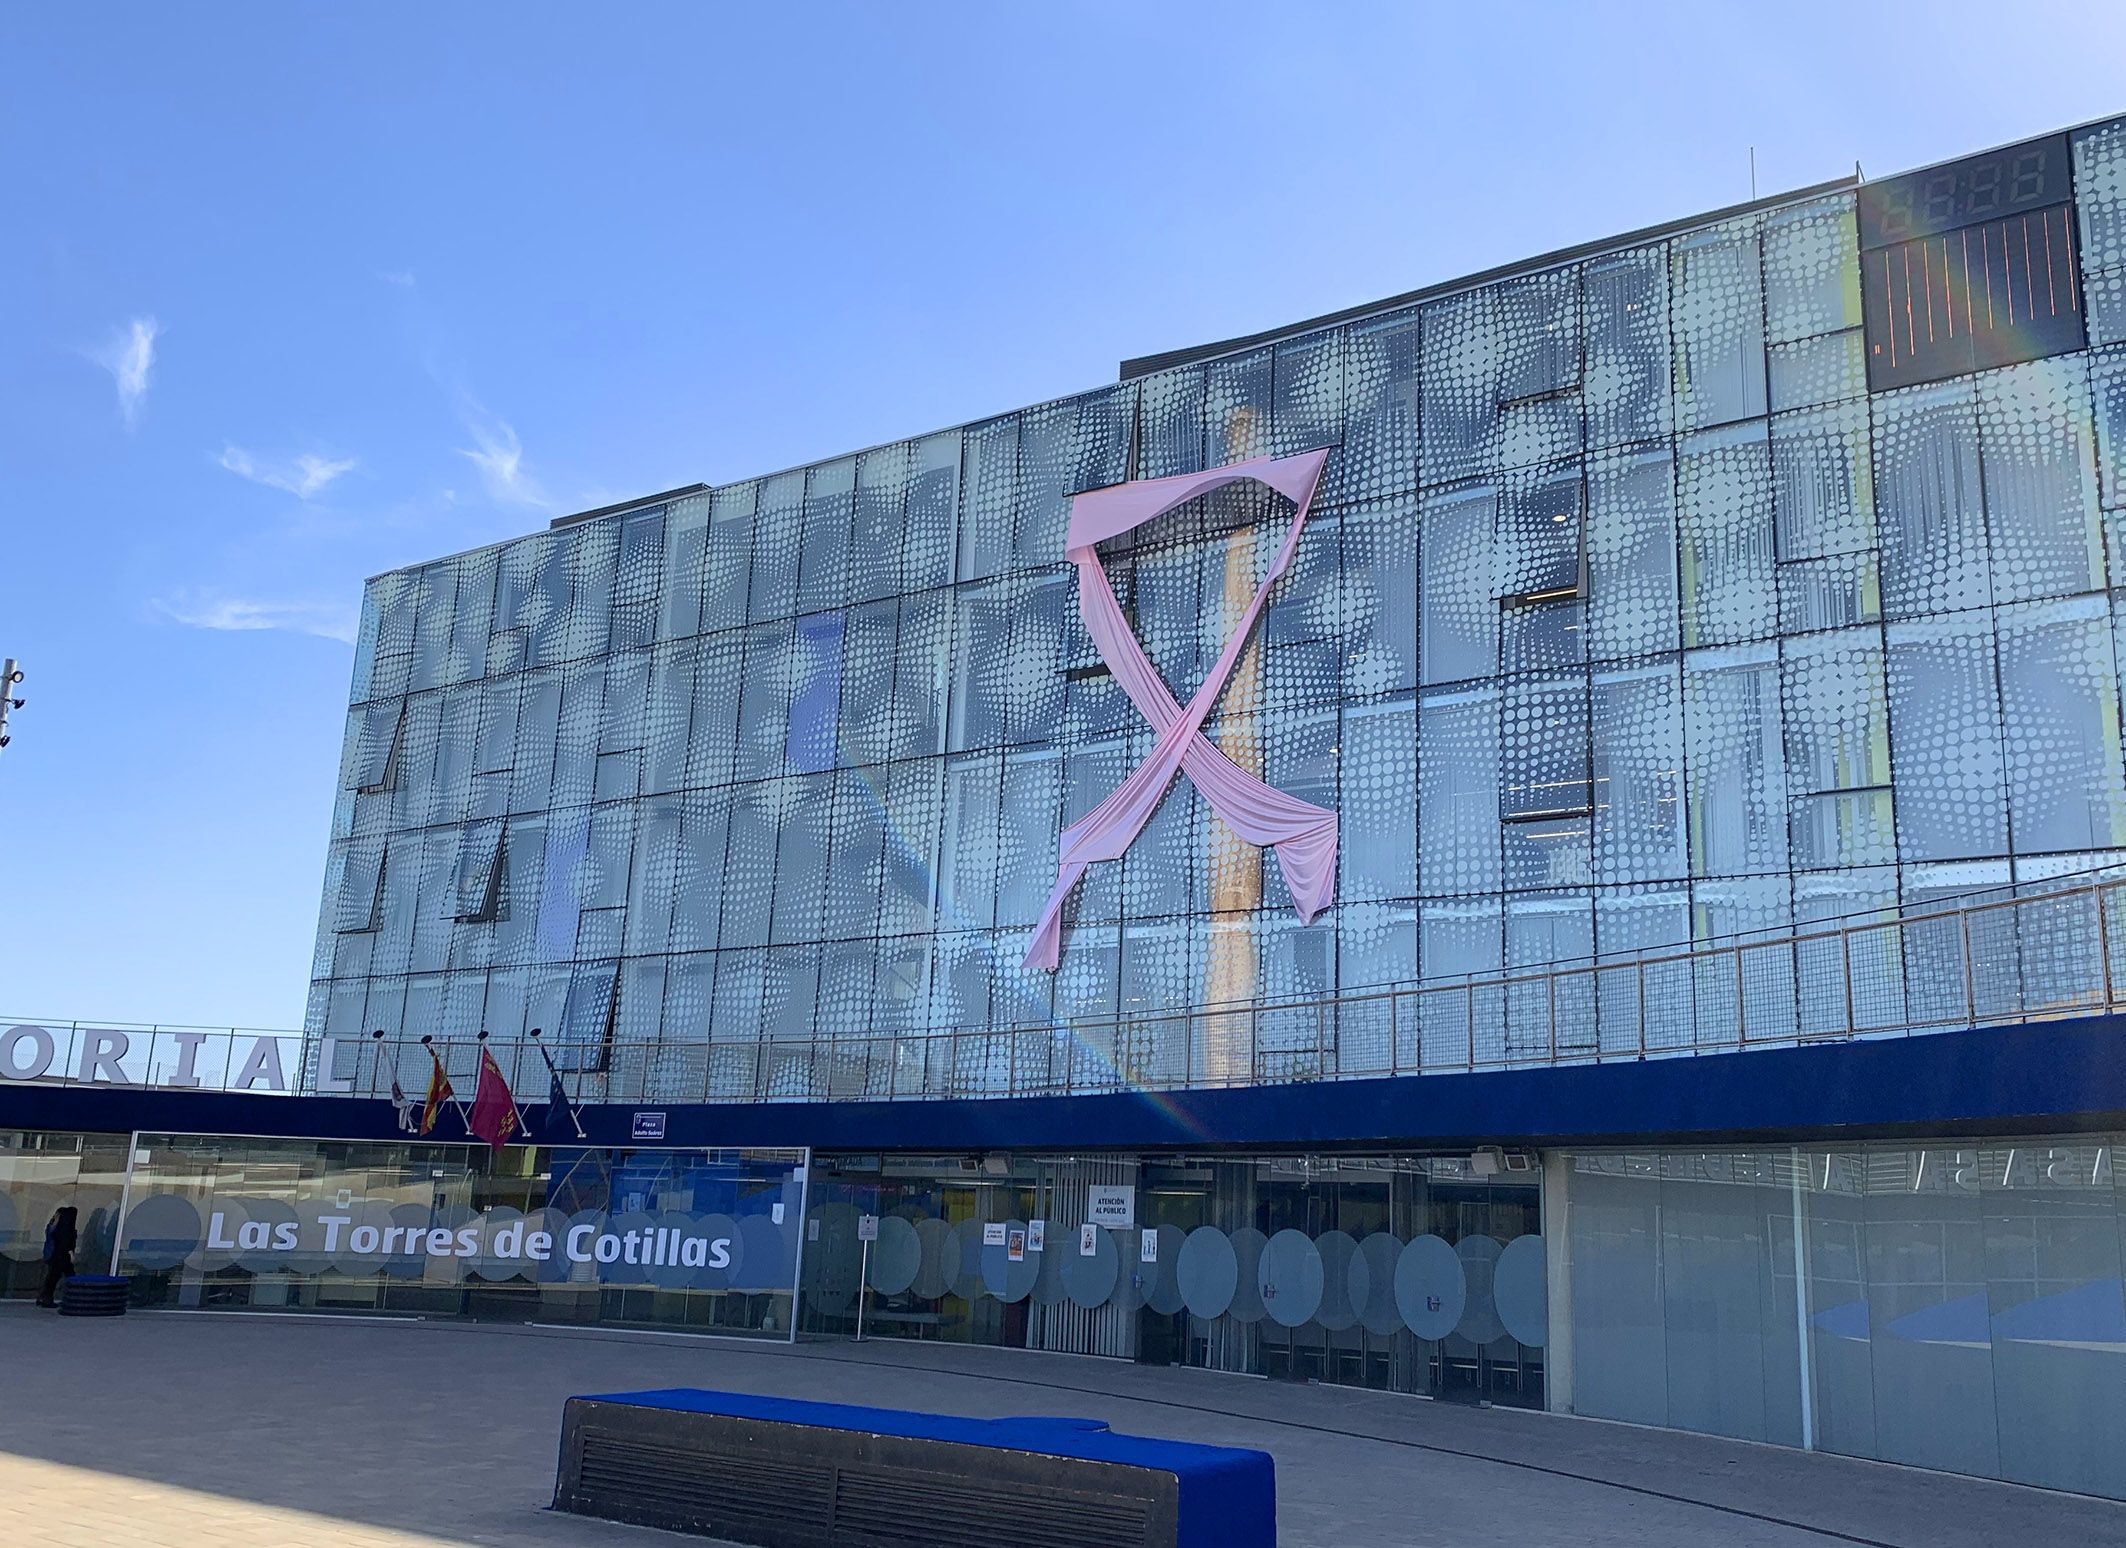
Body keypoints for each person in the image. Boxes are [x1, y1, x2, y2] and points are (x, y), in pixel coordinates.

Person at [36, 1205, 77, 1308]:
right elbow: (66, 1241)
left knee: (52, 1277)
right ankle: (73, 1297)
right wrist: (70, 1252)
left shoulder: (53, 1226)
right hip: (61, 1256)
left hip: (53, 1254)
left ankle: (44, 1297)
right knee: (66, 1276)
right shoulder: (65, 1228)